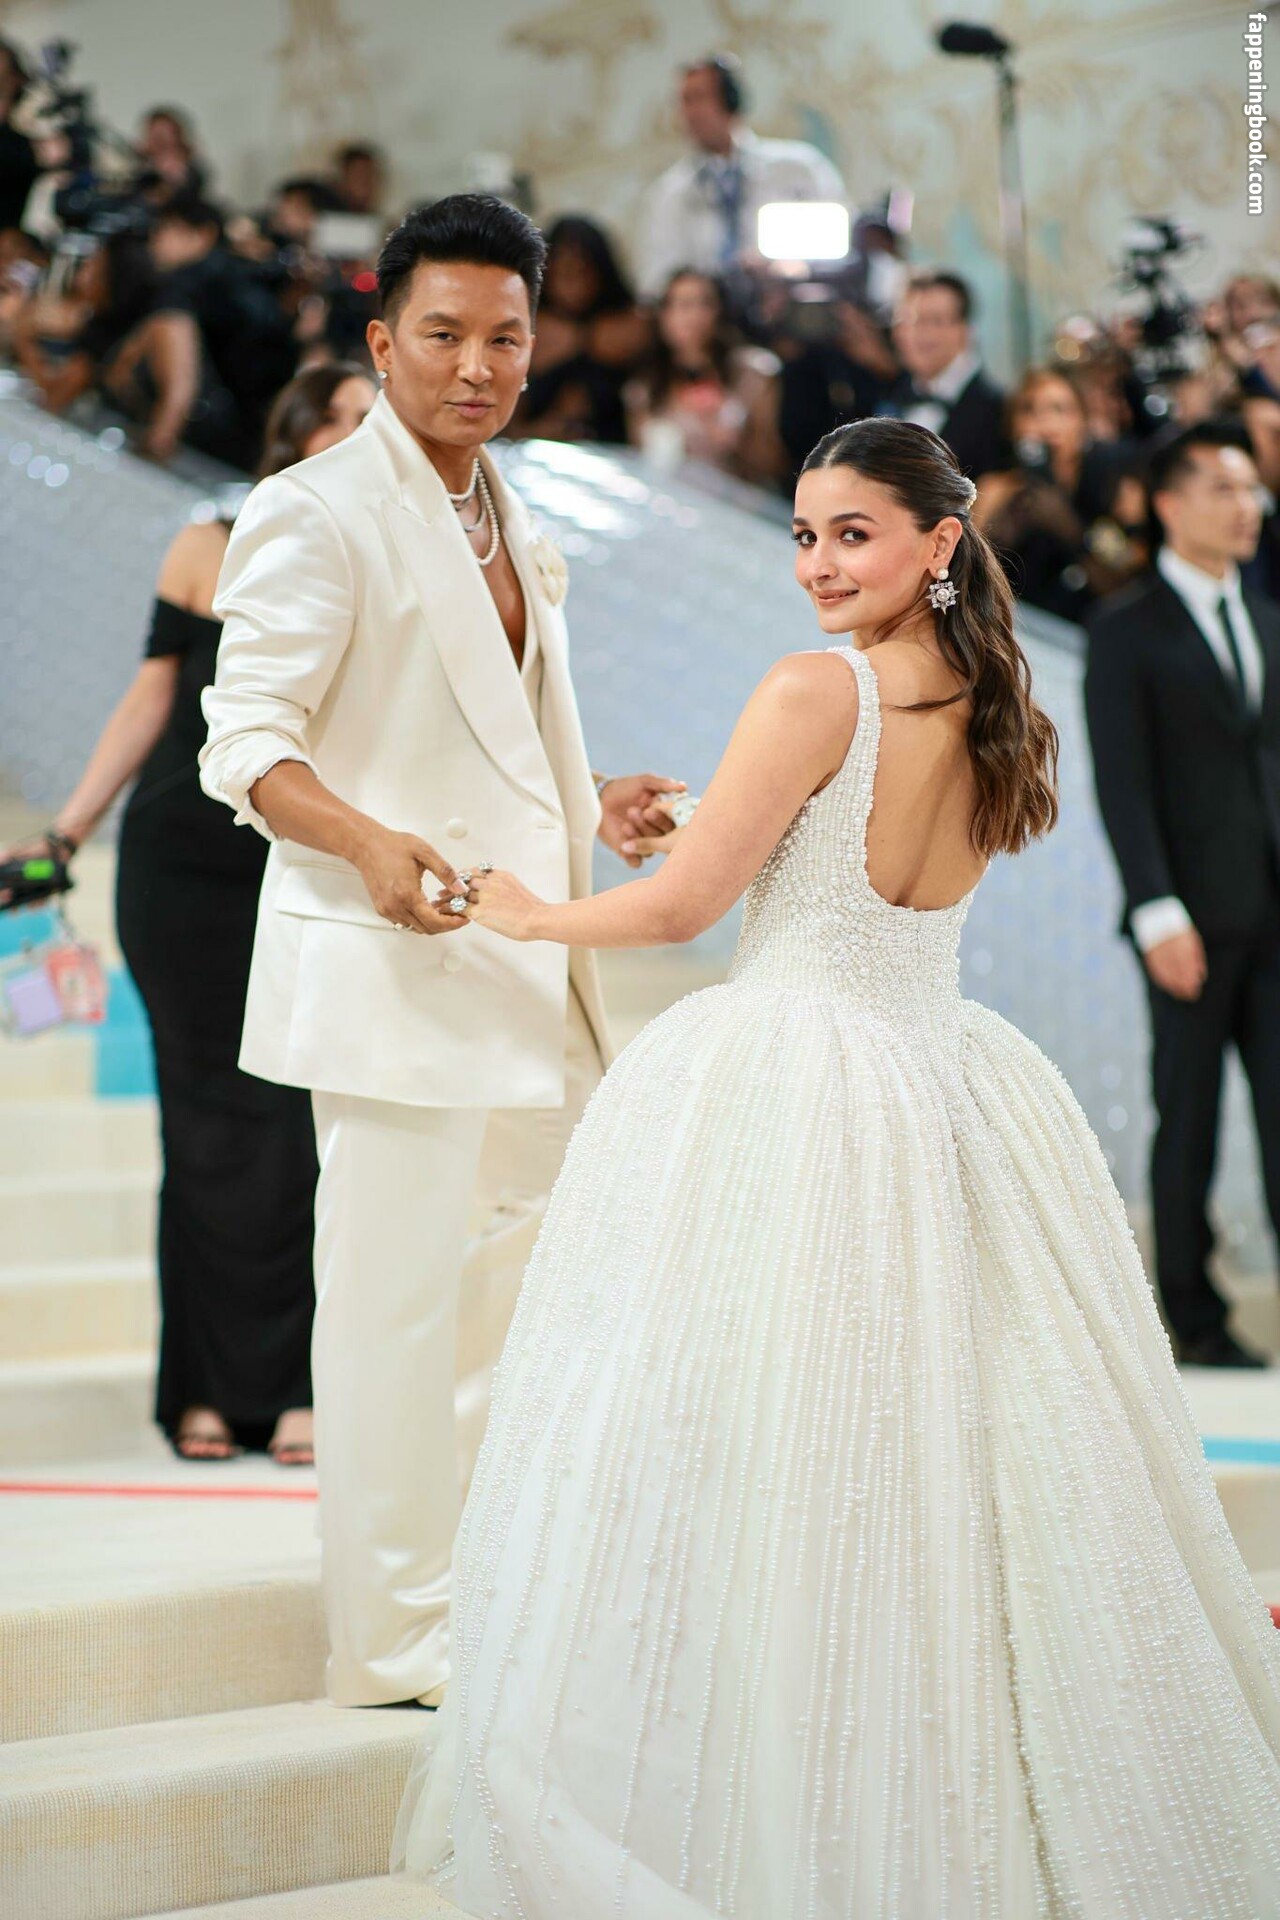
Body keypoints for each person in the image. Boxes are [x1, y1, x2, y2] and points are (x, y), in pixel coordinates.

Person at [394, 416, 1280, 1916]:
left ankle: (757, 1787)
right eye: (804, 534)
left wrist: (519, 913)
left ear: (939, 541)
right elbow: (841, 863)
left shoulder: (817, 688)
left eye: (851, 534)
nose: (815, 563)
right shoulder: (996, 698)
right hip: (940, 1073)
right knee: (946, 1457)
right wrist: (692, 818)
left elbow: (683, 914)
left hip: (797, 1077)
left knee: (762, 1445)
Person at [199, 194, 684, 1709]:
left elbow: (493, 732)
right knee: (395, 1314)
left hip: (525, 962)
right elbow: (244, 744)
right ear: (379, 341)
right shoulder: (313, 509)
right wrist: (362, 841)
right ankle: (391, 1639)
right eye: (443, 335)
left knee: (522, 1300)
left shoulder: (511, 512)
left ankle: (495, 1591)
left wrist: (591, 800)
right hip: (391, 963)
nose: (476, 366)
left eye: (505, 338)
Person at [0, 362, 376, 1463]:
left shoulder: (385, 561)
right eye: (348, 418)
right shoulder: (208, 542)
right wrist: (68, 834)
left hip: (303, 864)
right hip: (178, 864)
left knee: (299, 1122)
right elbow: (152, 697)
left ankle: (299, 1388)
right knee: (201, 1124)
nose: (367, 437)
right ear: (297, 429)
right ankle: (203, 1392)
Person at [1085, 422, 1280, 1369]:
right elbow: (1122, 785)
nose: (1249, 507)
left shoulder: (1269, 616)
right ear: (1168, 503)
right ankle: (1194, 1321)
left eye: (1252, 490)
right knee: (1188, 1117)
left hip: (1274, 913)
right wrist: (1156, 909)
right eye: (1225, 489)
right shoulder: (1127, 630)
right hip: (1189, 922)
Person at [636, 55, 847, 301]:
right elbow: (655, 280)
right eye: (684, 102)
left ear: (731, 100)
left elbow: (842, 251)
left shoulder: (800, 169)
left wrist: (786, 270)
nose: (689, 113)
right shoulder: (669, 193)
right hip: (711, 317)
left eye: (699, 98)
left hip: (789, 305)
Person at [974, 367, 1147, 621]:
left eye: (1059, 410)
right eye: (1029, 410)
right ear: (1012, 426)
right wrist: (998, 535)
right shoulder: (995, 490)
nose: (1045, 424)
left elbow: (1130, 581)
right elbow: (966, 581)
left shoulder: (1113, 485)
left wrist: (1069, 528)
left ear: (1083, 422)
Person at [625, 267, 784, 484]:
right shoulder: (644, 387)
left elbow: (773, 463)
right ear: (663, 314)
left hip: (735, 496)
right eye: (683, 305)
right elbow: (640, 462)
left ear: (720, 310)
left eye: (704, 304)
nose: (693, 316)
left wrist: (736, 440)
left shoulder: (753, 372)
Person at [513, 215, 649, 445]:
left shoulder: (629, 324)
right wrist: (541, 430)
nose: (573, 285)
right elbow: (506, 425)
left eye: (582, 272)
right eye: (564, 273)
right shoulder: (527, 324)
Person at [885, 270, 1011, 480]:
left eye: (935, 321)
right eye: (908, 321)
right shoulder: (891, 394)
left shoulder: (997, 410)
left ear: (965, 330)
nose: (918, 334)